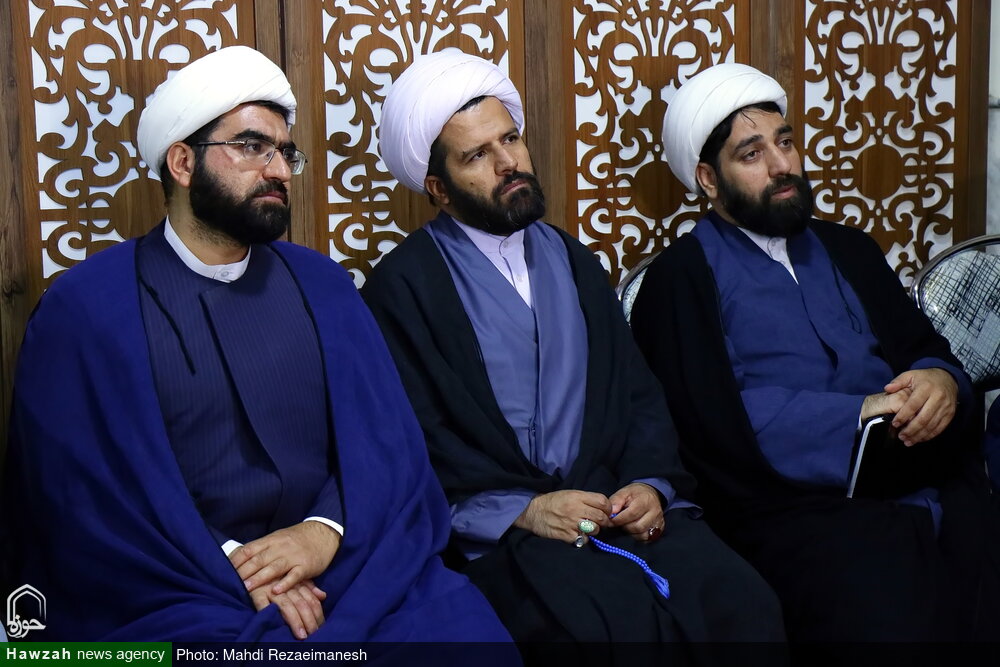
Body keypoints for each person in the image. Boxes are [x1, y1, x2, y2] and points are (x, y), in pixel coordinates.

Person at [1, 46, 516, 651]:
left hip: (346, 563)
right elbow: (79, 497)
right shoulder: (86, 309)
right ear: (183, 162)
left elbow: (387, 446)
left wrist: (323, 532)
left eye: (285, 152)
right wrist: (239, 564)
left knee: (464, 635)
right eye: (252, 147)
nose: (280, 170)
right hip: (174, 581)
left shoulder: (325, 287)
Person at [361, 49, 786, 657]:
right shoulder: (403, 289)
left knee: (743, 603)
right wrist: (524, 511)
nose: (509, 163)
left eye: (511, 139)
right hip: (509, 531)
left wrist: (649, 485)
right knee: (595, 634)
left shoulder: (572, 259)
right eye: (477, 155)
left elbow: (637, 393)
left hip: (613, 503)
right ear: (439, 188)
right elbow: (414, 441)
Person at [630, 62, 1000, 645]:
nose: (782, 166)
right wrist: (858, 416)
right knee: (876, 595)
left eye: (785, 142)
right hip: (790, 507)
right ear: (708, 179)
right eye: (751, 154)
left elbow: (924, 347)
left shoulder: (849, 247)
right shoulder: (680, 280)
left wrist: (938, 382)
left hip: (918, 469)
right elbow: (712, 419)